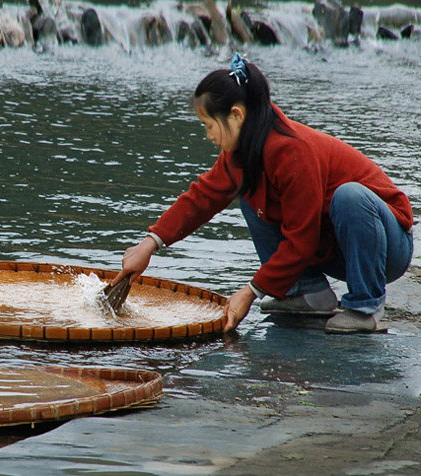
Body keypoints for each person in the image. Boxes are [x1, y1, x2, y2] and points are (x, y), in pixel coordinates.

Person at [111, 53, 414, 334]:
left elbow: (302, 240)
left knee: (349, 197)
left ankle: (365, 305)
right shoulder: (243, 154)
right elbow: (202, 197)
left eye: (209, 126)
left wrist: (251, 291)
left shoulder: (294, 152)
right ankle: (306, 292)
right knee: (249, 193)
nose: (208, 136)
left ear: (236, 116)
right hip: (338, 248)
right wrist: (149, 245)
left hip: (385, 248)